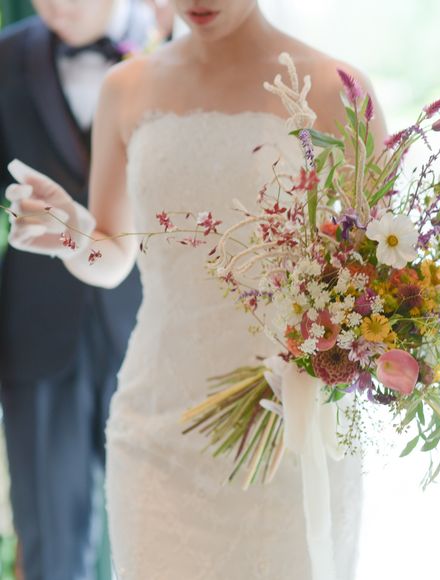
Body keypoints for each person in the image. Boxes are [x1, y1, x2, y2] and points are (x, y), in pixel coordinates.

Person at [6, 0, 387, 578]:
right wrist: (74, 236)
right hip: (157, 429)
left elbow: (384, 275)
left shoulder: (340, 90)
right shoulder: (126, 88)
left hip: (287, 426)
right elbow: (113, 255)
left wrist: (324, 349)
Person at [0, 1, 165, 579]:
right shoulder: (7, 57)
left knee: (160, 532)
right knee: (50, 539)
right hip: (38, 329)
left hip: (155, 329)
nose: (53, 7)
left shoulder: (179, 51)